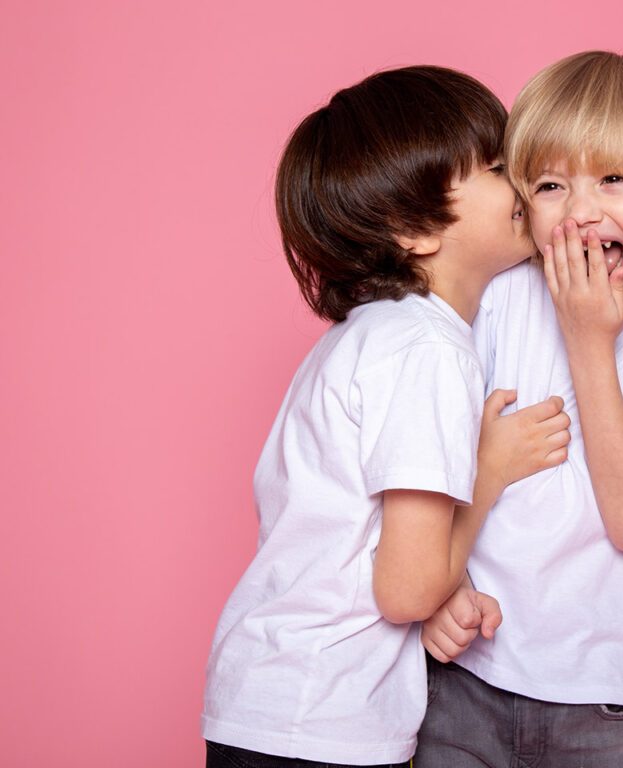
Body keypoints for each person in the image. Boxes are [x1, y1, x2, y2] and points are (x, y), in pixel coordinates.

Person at [201, 65, 570, 768]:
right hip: (323, 719)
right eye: (496, 167)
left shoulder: (363, 338)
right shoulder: (427, 349)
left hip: (267, 701)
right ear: (414, 228)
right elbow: (406, 590)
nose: (523, 182)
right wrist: (489, 472)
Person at [416, 51, 623, 767]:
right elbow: (432, 458)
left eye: (614, 179)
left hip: (597, 697)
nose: (582, 209)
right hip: (467, 674)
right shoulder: (498, 295)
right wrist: (446, 586)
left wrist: (590, 341)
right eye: (552, 184)